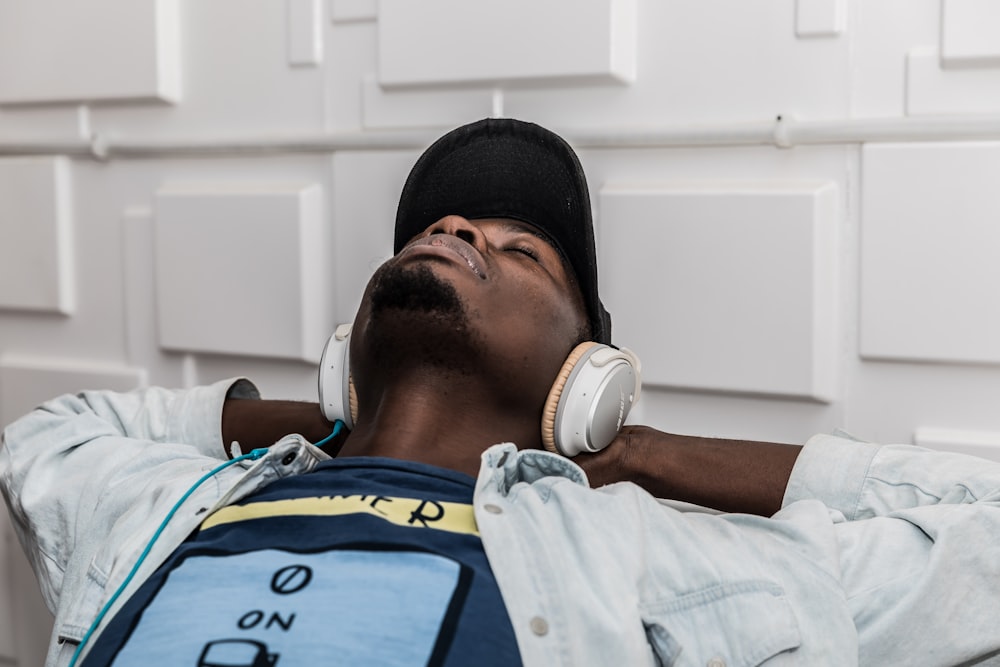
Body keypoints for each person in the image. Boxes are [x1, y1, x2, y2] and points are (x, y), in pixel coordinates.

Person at [2, 118, 1000, 667]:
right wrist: (338, 408)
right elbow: (52, 430)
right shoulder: (160, 508)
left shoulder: (652, 564)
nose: (462, 230)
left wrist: (631, 450)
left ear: (584, 376)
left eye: (522, 249)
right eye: (435, 230)